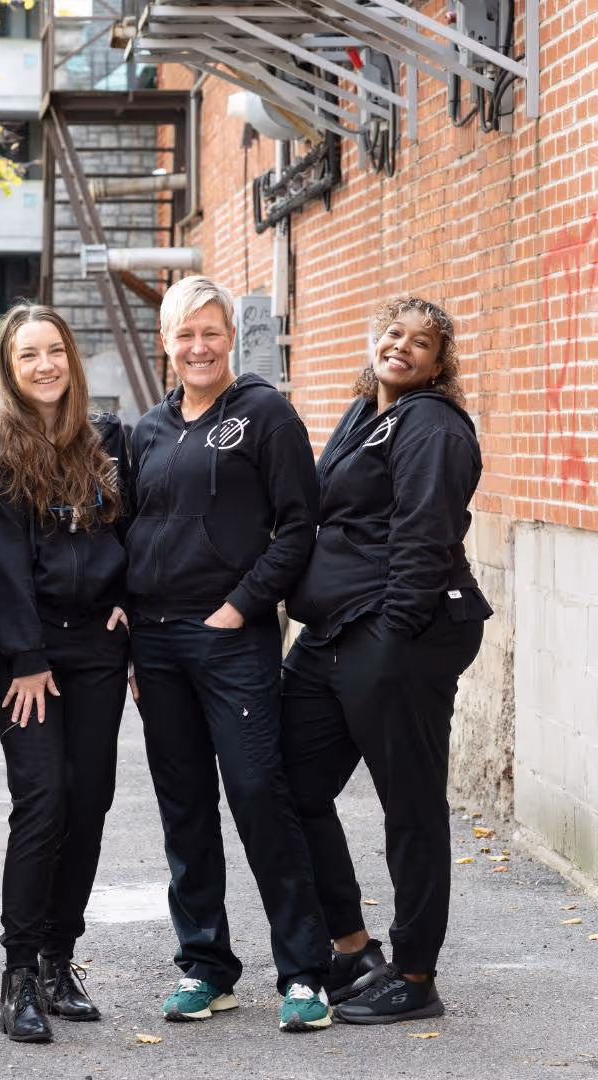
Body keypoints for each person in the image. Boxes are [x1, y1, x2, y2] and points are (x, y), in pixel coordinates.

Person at [125, 275, 333, 1034]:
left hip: (229, 640)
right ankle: (205, 967)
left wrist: (238, 607)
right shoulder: (147, 430)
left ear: (230, 339)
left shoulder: (264, 416)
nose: (199, 346)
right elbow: (131, 535)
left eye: (211, 332)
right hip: (156, 643)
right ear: (167, 343)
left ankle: (306, 973)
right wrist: (132, 644)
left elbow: (298, 526)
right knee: (184, 809)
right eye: (185, 334)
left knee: (257, 795)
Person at [281, 296, 492, 1024]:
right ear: (376, 339)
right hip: (334, 632)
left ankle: (414, 971)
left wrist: (392, 634)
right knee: (288, 784)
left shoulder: (431, 424)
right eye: (394, 334)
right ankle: (352, 948)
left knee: (409, 807)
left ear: (439, 364)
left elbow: (425, 534)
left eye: (422, 343)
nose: (403, 348)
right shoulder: (362, 415)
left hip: (396, 635)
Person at [0, 304, 130, 1044]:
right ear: (9, 366)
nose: (43, 365)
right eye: (27, 354)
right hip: (29, 657)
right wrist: (26, 658)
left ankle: (60, 959)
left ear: (71, 358)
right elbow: (3, 563)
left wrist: (130, 597)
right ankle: (17, 972)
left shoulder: (107, 441)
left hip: (99, 649)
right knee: (44, 800)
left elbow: (137, 531)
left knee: (90, 801)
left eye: (53, 351)